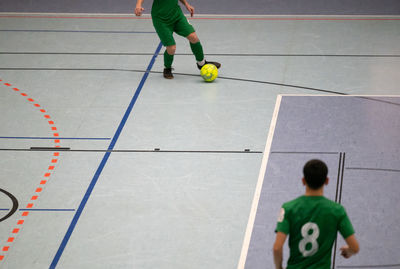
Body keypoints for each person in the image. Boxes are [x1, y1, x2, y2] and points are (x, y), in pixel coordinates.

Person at [273, 159, 359, 269]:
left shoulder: (288, 208)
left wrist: (279, 267)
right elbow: (355, 247)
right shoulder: (337, 210)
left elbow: (277, 247)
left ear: (303, 181)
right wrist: (349, 251)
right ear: (327, 181)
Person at [134, 0, 221, 79]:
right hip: (161, 19)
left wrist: (186, 4)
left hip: (176, 15)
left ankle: (201, 64)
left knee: (193, 37)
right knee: (171, 48)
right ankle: (167, 68)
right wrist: (138, 5)